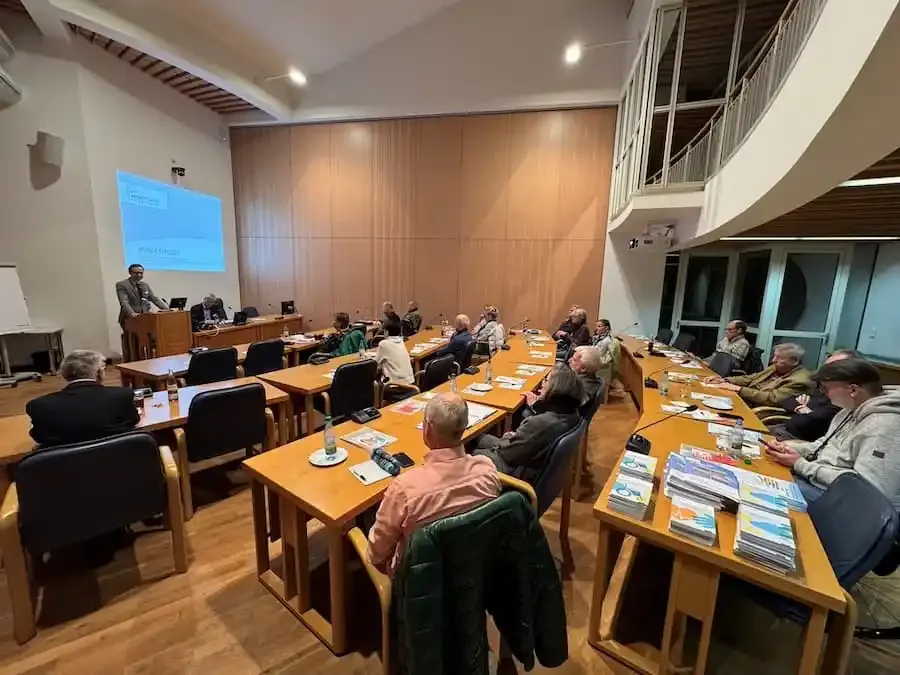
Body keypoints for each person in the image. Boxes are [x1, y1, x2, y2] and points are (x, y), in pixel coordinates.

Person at [367, 393, 501, 576]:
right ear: (464, 428)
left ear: (428, 428)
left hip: (419, 583)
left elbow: (376, 553)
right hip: (475, 571)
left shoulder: (404, 489)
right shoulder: (488, 472)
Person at [765, 358, 900, 509]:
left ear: (853, 390)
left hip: (847, 504)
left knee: (763, 490)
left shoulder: (884, 427)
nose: (823, 393)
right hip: (819, 481)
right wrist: (790, 449)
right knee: (763, 471)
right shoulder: (849, 410)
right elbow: (822, 446)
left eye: (825, 388)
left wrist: (800, 464)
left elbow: (867, 490)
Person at [474, 363, 584, 484]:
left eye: (546, 381)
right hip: (528, 462)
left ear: (555, 389)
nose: (542, 384)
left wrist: (508, 437)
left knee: (468, 445)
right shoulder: (572, 415)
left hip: (509, 470)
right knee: (480, 436)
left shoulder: (539, 423)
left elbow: (507, 454)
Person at [26, 350, 139, 447]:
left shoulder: (39, 406)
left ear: (64, 374)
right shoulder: (122, 396)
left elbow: (39, 437)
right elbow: (133, 421)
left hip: (65, 469)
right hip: (120, 464)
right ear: (99, 373)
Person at [766, 349, 862, 441]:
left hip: (795, 440)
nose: (825, 372)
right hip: (784, 429)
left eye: (833, 368)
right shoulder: (821, 387)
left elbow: (808, 422)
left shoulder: (844, 398)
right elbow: (787, 400)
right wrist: (801, 409)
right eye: (826, 366)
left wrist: (807, 412)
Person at [704, 342, 810, 406]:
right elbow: (752, 377)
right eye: (775, 356)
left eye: (779, 358)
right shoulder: (776, 367)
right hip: (745, 399)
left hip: (757, 408)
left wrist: (738, 389)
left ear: (795, 362)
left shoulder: (800, 381)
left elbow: (771, 399)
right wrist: (726, 380)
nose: (773, 360)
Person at [115, 263, 168, 327]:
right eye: (136, 273)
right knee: (133, 337)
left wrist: (167, 309)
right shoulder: (122, 284)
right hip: (129, 318)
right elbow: (124, 302)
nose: (139, 275)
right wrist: (132, 313)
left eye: (141, 273)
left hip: (144, 317)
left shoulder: (145, 285)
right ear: (130, 273)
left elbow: (154, 299)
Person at [376, 320, 415, 387]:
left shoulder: (383, 344)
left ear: (387, 332)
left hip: (394, 385)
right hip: (410, 383)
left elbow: (376, 364)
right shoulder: (401, 342)